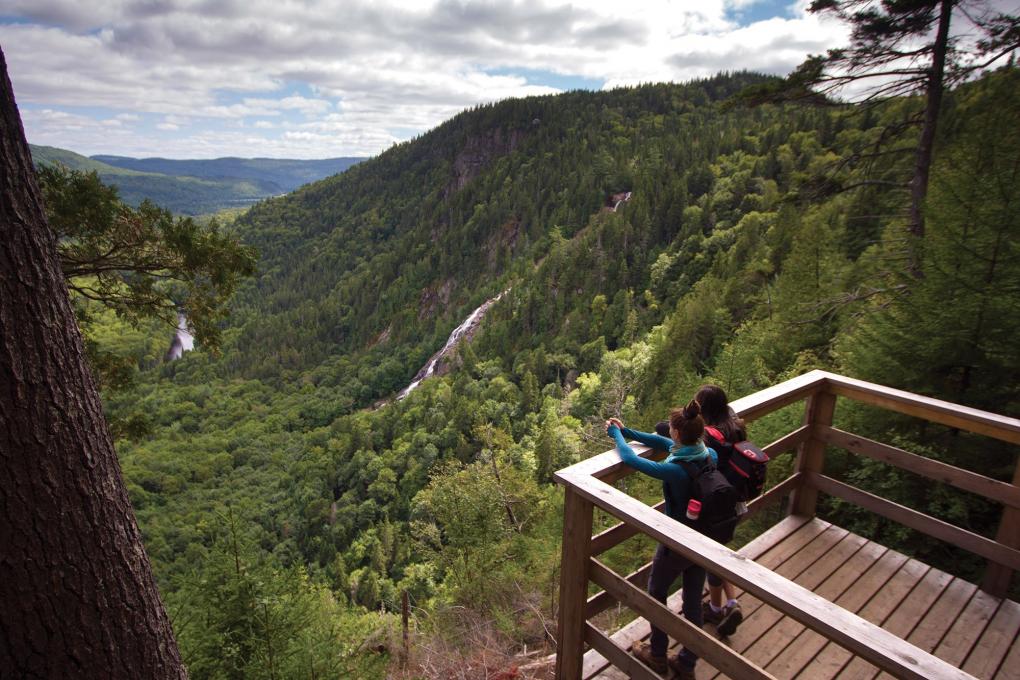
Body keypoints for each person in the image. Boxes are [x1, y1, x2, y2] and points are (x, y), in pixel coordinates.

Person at [605, 400, 715, 679]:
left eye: (672, 431)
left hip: (676, 543)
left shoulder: (675, 470)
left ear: (676, 433)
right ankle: (687, 662)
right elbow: (660, 441)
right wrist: (627, 429)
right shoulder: (706, 454)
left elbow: (630, 459)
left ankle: (657, 653)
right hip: (702, 540)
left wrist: (615, 435)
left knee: (656, 593)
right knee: (692, 601)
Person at [695, 384, 747, 636]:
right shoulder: (734, 422)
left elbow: (675, 433)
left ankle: (715, 609)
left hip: (717, 506)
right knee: (722, 551)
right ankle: (732, 602)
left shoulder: (707, 436)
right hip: (736, 502)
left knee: (712, 559)